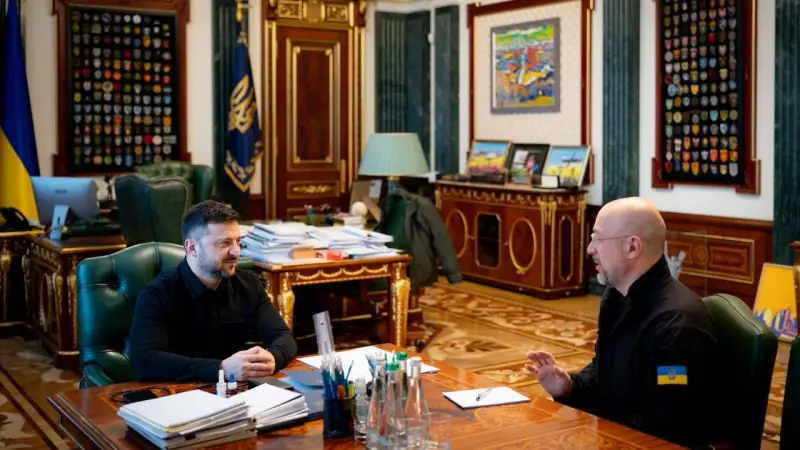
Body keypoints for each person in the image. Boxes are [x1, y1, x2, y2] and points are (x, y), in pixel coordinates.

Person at [525, 197, 720, 448]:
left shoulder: (677, 323)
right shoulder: (616, 298)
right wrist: (570, 386)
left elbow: (669, 425)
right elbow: (604, 369)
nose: (590, 249)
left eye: (598, 239)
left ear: (632, 247)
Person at [128, 200, 297, 382]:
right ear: (192, 248)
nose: (236, 252)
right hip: (179, 392)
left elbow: (283, 336)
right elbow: (146, 361)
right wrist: (221, 369)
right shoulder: (156, 294)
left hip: (237, 391)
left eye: (238, 241)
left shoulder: (249, 284)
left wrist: (273, 358)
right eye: (225, 243)